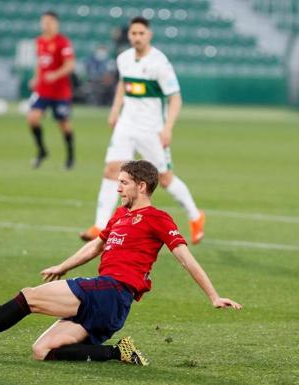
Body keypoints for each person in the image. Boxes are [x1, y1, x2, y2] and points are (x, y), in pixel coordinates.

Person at [0, 160, 241, 364]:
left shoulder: (157, 218)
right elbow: (96, 246)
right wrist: (64, 265)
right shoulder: (120, 215)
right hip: (110, 307)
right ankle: (117, 353)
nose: (117, 188)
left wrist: (213, 296)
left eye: (123, 183)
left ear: (141, 187)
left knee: (29, 297)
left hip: (111, 291)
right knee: (43, 351)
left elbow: (186, 259)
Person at [79, 17, 206, 245]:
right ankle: (99, 225)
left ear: (149, 35)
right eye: (133, 33)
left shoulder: (160, 63)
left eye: (141, 33)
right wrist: (115, 110)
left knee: (165, 179)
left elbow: (175, 99)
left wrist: (168, 128)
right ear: (129, 35)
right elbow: (123, 85)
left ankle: (196, 217)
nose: (137, 37)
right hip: (127, 124)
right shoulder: (124, 59)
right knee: (111, 170)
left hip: (151, 129)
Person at [27, 11, 76, 170]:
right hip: (43, 89)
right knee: (33, 118)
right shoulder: (39, 41)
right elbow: (40, 63)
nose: (46, 24)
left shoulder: (63, 42)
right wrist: (36, 78)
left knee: (64, 125)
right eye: (44, 22)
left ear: (56, 23)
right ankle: (42, 151)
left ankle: (70, 157)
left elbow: (70, 65)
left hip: (60, 91)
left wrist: (55, 75)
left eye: (49, 22)